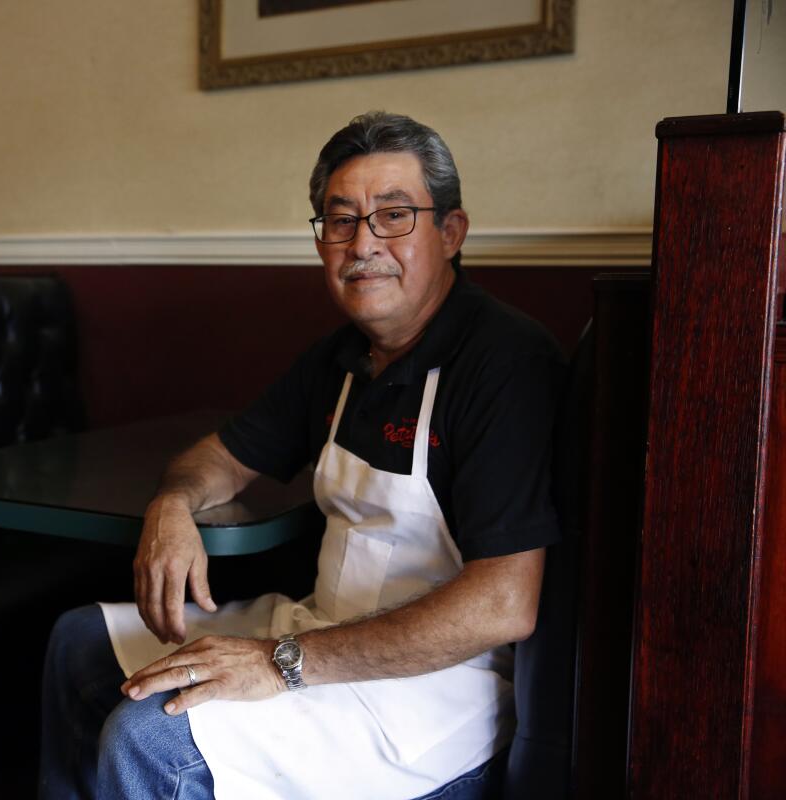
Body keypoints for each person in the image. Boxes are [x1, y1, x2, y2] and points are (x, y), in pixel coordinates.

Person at [40, 112, 565, 800]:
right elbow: (218, 458)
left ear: (452, 232)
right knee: (77, 641)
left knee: (149, 738)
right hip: (320, 627)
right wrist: (172, 506)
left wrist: (279, 662)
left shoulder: (505, 361)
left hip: (437, 690)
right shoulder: (342, 359)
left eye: (395, 215)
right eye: (340, 220)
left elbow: (503, 605)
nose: (363, 242)